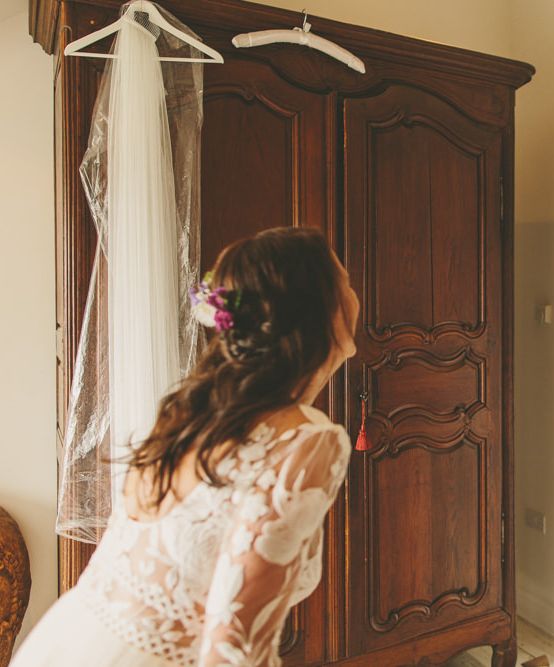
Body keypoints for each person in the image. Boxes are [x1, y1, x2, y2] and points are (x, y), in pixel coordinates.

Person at [11, 227, 360, 667]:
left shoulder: (190, 411)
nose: (353, 294)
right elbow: (234, 645)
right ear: (319, 311)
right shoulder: (309, 442)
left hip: (73, 641)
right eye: (344, 283)